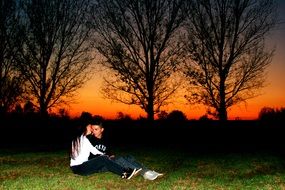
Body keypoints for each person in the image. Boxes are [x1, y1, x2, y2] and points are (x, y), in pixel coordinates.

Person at [87, 119, 164, 180]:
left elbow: (109, 152)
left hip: (108, 162)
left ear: (102, 129)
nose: (93, 131)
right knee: (119, 159)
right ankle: (145, 173)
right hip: (98, 166)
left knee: (128, 157)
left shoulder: (106, 140)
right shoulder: (90, 139)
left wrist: (110, 155)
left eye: (96, 129)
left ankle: (146, 170)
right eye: (92, 129)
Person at [69, 119, 140, 179]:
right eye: (89, 127)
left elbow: (94, 151)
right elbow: (93, 152)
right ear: (84, 128)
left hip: (83, 167)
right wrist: (104, 156)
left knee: (106, 160)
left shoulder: (83, 139)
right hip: (79, 168)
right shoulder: (80, 140)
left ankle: (129, 170)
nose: (91, 129)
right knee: (103, 159)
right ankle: (125, 173)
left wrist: (106, 155)